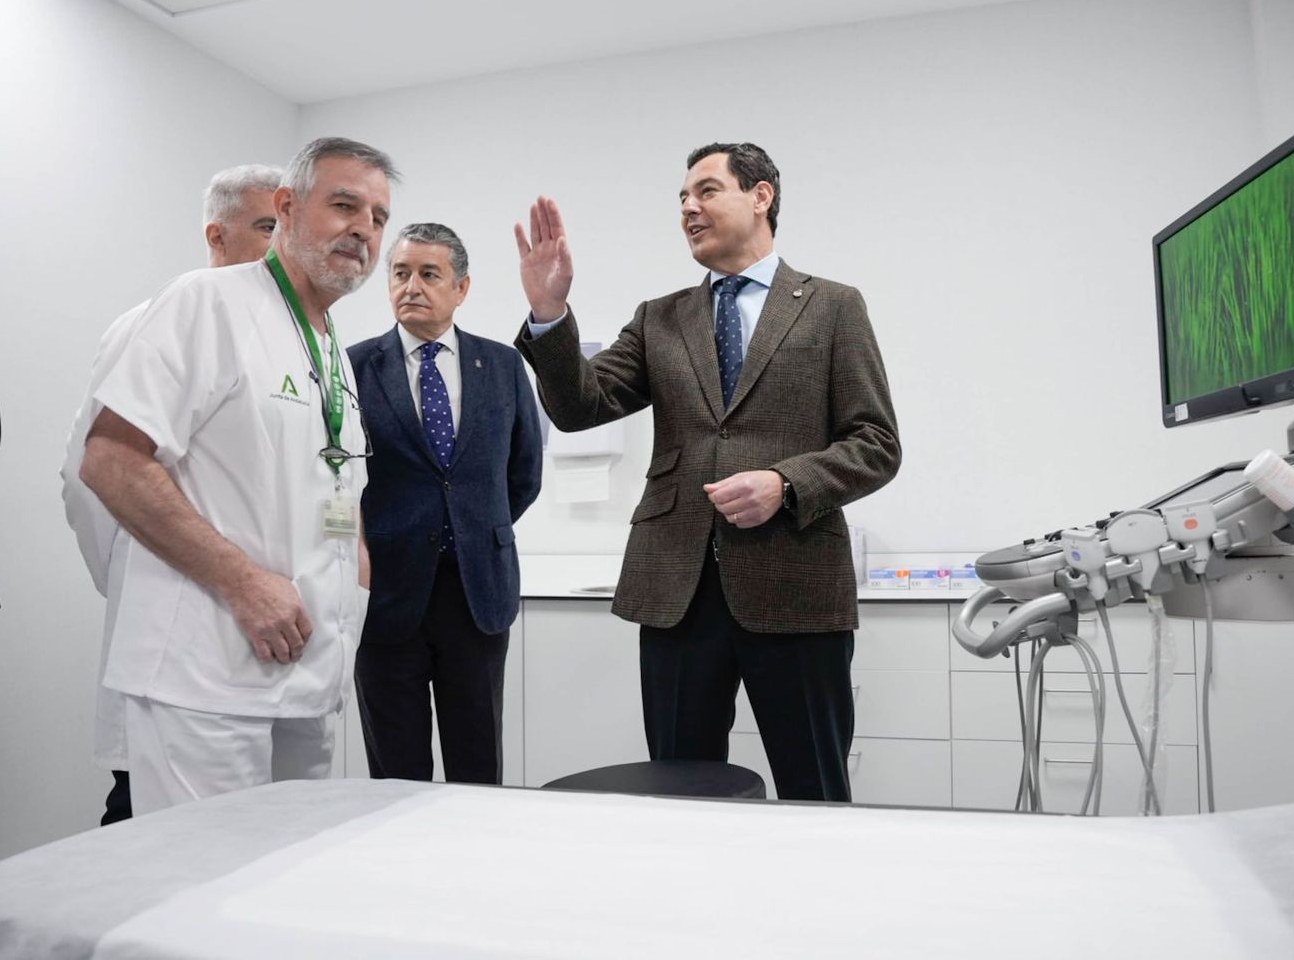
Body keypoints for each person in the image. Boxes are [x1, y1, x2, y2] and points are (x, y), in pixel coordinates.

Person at [514, 142, 901, 802]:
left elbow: (875, 442)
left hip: (796, 588)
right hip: (676, 591)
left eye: (705, 191)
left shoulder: (833, 306)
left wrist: (785, 484)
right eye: (682, 200)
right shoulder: (660, 318)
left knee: (816, 791)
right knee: (678, 793)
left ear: (761, 196)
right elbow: (582, 407)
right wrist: (550, 315)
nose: (688, 208)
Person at [78, 138, 396, 815]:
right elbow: (110, 458)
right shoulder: (208, 302)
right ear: (287, 208)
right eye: (344, 205)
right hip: (208, 676)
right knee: (198, 891)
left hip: (306, 673)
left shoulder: (327, 343)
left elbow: (329, 482)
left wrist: (355, 578)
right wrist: (242, 582)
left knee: (280, 881)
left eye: (377, 217)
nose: (363, 229)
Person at [60, 164, 282, 826]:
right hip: (176, 633)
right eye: (269, 226)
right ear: (217, 234)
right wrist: (136, 576)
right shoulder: (158, 320)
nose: (287, 244)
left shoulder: (283, 337)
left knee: (241, 838)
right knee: (148, 837)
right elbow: (89, 475)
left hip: (256, 642)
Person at [349, 223, 542, 784]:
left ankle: (477, 867)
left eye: (429, 274)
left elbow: (523, 472)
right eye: (400, 273)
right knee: (394, 763)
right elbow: (339, 476)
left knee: (478, 760)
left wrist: (476, 525)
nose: (411, 286)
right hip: (386, 593)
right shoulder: (353, 367)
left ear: (461, 288)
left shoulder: (502, 365)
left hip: (476, 590)